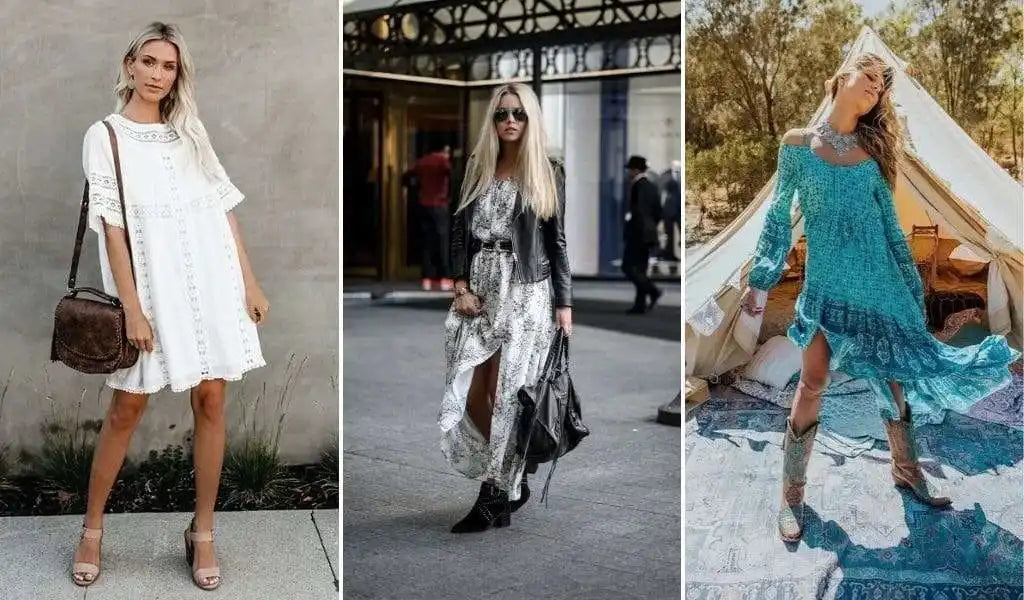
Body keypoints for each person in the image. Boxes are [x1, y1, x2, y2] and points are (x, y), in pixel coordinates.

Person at [739, 53, 1020, 543]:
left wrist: (911, 292)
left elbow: (891, 230)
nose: (875, 88)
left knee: (892, 383)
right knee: (813, 381)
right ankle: (792, 495)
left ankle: (906, 471)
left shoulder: (873, 155)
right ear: (840, 78)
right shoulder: (797, 146)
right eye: (868, 77)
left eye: (881, 86)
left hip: (880, 287)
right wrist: (760, 280)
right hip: (826, 289)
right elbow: (778, 218)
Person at [71, 22, 268, 590]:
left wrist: (250, 283)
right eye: (150, 62)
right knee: (125, 410)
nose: (158, 74)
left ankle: (202, 532)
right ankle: (91, 530)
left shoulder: (190, 132)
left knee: (211, 401)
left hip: (211, 282)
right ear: (130, 64)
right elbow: (112, 230)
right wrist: (132, 308)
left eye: (169, 66)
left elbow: (223, 210)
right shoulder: (104, 136)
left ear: (178, 74)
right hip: (151, 291)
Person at [440, 82, 572, 533]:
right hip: (480, 287)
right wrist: (460, 285)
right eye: (501, 114)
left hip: (526, 291)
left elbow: (556, 242)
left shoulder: (548, 171)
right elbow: (458, 232)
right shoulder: (475, 167)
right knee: (471, 390)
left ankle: (493, 493)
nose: (509, 121)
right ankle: (514, 477)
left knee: (505, 394)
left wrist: (565, 304)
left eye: (518, 113)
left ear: (530, 119)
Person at [404, 143, 454, 291]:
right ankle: (444, 278)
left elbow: (406, 177)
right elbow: (452, 178)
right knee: (442, 242)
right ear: (444, 150)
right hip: (439, 204)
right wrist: (449, 197)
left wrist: (417, 191)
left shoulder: (422, 162)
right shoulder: (443, 162)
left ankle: (427, 278)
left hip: (424, 204)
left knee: (427, 241)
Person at [622, 155, 663, 314]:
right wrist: (651, 228)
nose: (628, 172)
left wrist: (635, 229)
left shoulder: (637, 186)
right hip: (648, 234)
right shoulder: (651, 186)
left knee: (628, 267)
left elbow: (637, 212)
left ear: (636, 170)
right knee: (640, 269)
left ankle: (653, 291)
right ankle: (639, 304)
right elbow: (659, 211)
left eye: (630, 169)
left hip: (637, 234)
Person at [660, 160, 681, 261]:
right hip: (668, 210)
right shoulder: (665, 175)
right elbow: (661, 189)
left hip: (679, 209)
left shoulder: (681, 174)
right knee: (669, 234)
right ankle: (669, 255)